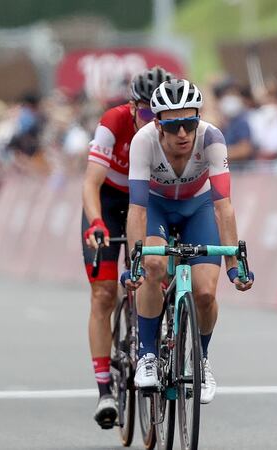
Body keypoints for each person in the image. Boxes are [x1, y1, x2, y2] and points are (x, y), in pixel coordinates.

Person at [125, 79, 253, 404]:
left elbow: (223, 207)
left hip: (198, 207)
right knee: (153, 265)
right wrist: (135, 262)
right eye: (173, 126)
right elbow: (137, 209)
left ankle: (201, 360)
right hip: (156, 207)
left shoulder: (212, 138)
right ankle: (147, 355)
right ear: (158, 124)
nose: (183, 133)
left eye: (189, 123)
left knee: (206, 292)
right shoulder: (143, 142)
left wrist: (234, 266)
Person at [81, 66, 171, 429]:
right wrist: (96, 222)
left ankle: (161, 335)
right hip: (108, 200)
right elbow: (91, 183)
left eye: (159, 113)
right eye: (146, 112)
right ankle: (104, 390)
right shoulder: (113, 122)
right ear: (132, 107)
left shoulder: (172, 129)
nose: (154, 120)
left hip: (146, 200)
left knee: (158, 269)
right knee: (103, 294)